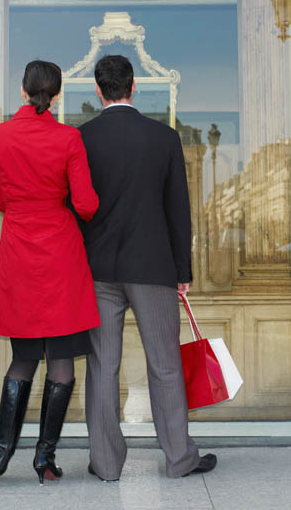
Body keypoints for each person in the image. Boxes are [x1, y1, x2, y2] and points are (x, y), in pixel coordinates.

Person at [77, 55, 217, 481]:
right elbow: (178, 209)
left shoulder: (79, 139)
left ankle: (105, 464)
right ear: (133, 87)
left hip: (98, 269)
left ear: (98, 91)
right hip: (154, 267)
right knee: (165, 364)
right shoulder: (163, 137)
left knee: (103, 365)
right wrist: (183, 269)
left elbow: (76, 209)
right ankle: (178, 458)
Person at [0, 60, 100, 486]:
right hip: (61, 255)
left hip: (20, 251)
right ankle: (44, 459)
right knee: (62, 361)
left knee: (23, 358)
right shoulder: (69, 138)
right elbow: (85, 204)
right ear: (58, 94)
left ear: (23, 90)